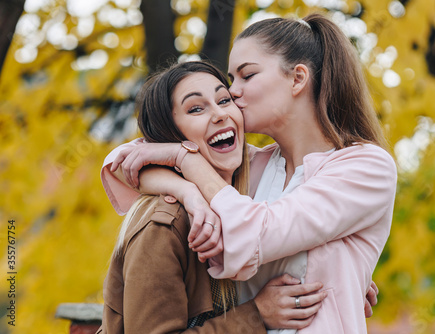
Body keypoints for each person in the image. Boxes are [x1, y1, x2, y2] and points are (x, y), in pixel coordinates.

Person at [104, 13, 395, 333]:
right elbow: (124, 163)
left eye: (247, 75)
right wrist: (187, 191)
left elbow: (259, 231)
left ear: (298, 78)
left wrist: (183, 160)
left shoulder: (366, 167)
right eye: (232, 80)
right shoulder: (249, 169)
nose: (234, 92)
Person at [97, 61, 328, 334]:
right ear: (170, 136)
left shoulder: (250, 193)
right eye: (196, 108)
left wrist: (339, 269)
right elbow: (120, 161)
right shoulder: (164, 226)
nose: (219, 114)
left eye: (224, 99)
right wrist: (256, 315)